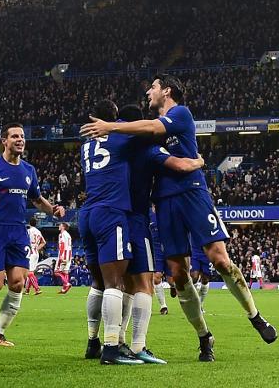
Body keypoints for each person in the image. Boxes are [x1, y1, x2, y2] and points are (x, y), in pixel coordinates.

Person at [83, 76, 277, 363]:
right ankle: (203, 335)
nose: (148, 91)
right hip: (164, 201)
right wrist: (196, 160)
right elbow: (147, 136)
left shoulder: (180, 113)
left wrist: (110, 126)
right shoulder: (146, 136)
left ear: (167, 91)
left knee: (219, 259)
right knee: (178, 274)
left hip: (192, 191)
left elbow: (154, 130)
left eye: (153, 87)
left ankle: (255, 316)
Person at [79, 99, 205, 365]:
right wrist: (198, 161)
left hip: (91, 211)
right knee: (140, 284)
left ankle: (101, 341)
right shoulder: (139, 144)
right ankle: (129, 346)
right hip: (128, 217)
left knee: (103, 283)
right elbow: (178, 164)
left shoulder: (89, 144)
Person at [0, 123, 66, 348]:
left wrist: (53, 210)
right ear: (4, 141)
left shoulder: (29, 170)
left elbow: (37, 199)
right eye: (15, 136)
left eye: (22, 136)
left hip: (18, 231)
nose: (20, 139)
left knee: (17, 283)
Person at [25, 218, 45, 295]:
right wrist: (37, 248)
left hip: (30, 252)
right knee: (31, 272)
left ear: (29, 223)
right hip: (36, 252)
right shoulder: (38, 231)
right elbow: (43, 242)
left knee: (29, 272)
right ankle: (27, 290)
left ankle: (37, 288)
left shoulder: (29, 231)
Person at [56, 222, 74, 294]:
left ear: (63, 227)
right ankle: (64, 289)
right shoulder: (68, 234)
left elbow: (62, 244)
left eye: (60, 225)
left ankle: (67, 283)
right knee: (65, 272)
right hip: (69, 254)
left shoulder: (62, 234)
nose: (59, 226)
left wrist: (61, 255)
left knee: (57, 272)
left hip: (64, 254)